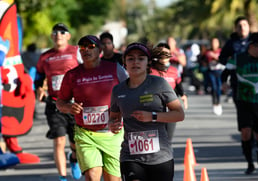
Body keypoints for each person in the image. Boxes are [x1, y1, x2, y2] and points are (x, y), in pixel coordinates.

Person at [56, 35, 128, 181]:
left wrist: (123, 116)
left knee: (112, 178)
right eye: (82, 47)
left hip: (112, 134)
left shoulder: (115, 69)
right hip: (86, 134)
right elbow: (60, 102)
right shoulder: (72, 75)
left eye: (91, 46)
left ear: (100, 49)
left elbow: (130, 93)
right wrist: (69, 107)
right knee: (92, 175)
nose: (86, 50)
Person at [109, 42, 185, 181]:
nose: (135, 62)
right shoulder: (118, 90)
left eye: (141, 58)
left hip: (160, 157)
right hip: (130, 156)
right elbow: (113, 117)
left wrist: (153, 116)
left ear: (148, 63)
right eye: (131, 58)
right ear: (124, 63)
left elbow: (179, 114)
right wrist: (113, 125)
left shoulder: (159, 84)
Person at [35, 23, 82, 181]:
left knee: (75, 143)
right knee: (59, 140)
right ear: (51, 36)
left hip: (75, 104)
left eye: (62, 32)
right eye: (55, 32)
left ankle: (74, 159)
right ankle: (62, 177)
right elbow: (39, 77)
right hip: (54, 103)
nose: (58, 35)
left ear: (68, 36)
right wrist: (39, 89)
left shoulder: (76, 52)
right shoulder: (45, 56)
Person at [222, 32, 258, 174]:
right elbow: (225, 72)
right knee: (245, 132)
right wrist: (224, 83)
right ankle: (250, 163)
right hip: (243, 100)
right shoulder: (238, 58)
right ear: (251, 46)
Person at [150, 42, 188, 141]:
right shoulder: (149, 70)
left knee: (168, 138)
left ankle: (167, 154)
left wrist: (183, 96)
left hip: (171, 109)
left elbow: (179, 84)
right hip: (155, 109)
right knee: (156, 139)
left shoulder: (174, 70)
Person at [220, 16, 250, 103]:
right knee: (242, 109)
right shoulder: (231, 43)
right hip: (237, 81)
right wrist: (230, 61)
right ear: (236, 28)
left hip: (254, 80)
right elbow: (222, 58)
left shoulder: (255, 42)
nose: (242, 28)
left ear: (249, 26)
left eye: (244, 25)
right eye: (239, 26)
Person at [205, 37, 224, 115]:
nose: (214, 44)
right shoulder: (207, 52)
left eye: (216, 42)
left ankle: (219, 103)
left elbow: (223, 59)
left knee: (219, 87)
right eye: (212, 42)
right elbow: (204, 60)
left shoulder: (221, 51)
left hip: (219, 71)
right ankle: (214, 103)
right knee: (214, 87)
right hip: (211, 71)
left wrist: (216, 57)